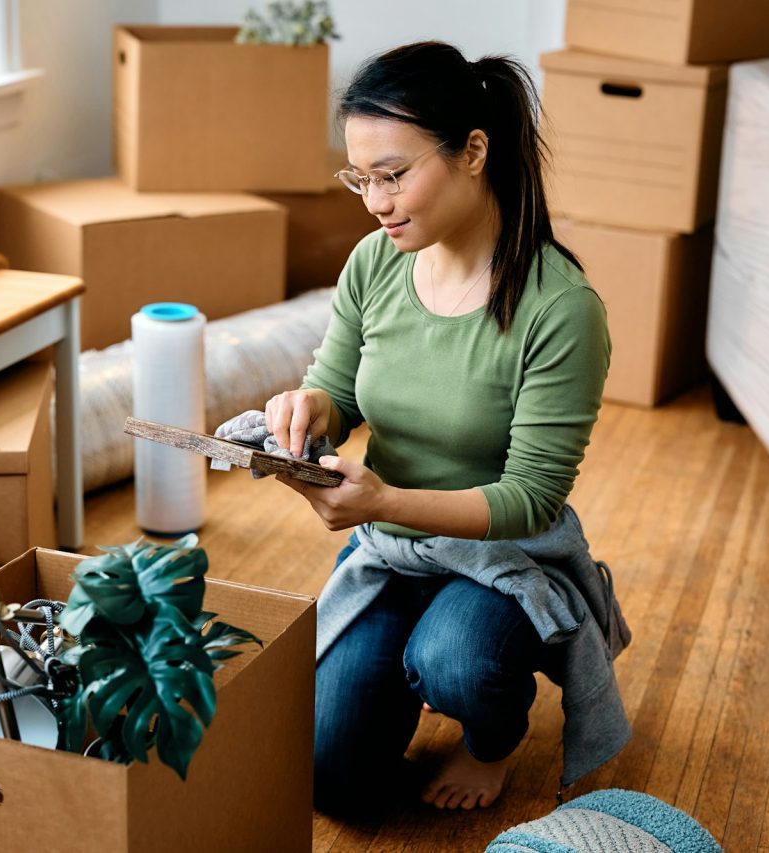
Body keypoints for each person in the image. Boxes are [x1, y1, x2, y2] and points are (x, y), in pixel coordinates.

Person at [260, 42, 629, 817]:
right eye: (359, 178)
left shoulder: (560, 309)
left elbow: (529, 499)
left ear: (473, 151)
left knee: (455, 661)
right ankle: (422, 662)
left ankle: (491, 734)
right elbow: (337, 387)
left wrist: (380, 500)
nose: (374, 202)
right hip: (394, 546)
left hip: (503, 554)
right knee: (333, 781)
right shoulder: (374, 263)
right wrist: (310, 410)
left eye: (393, 175)